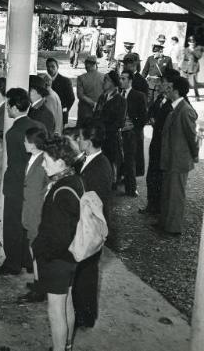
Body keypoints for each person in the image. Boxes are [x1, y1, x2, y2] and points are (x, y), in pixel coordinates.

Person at [32, 136, 83, 351]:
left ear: (60, 163)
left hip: (57, 260)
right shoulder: (75, 180)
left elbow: (58, 235)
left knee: (55, 312)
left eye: (46, 159)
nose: (43, 164)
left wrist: (41, 255)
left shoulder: (60, 191)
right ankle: (68, 345)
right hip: (72, 256)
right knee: (67, 305)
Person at [0, 88, 44, 276]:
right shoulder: (39, 126)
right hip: (36, 182)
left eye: (8, 105)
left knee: (13, 223)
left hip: (16, 182)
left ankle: (13, 263)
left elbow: (14, 162)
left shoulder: (12, 132)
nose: (6, 108)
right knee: (30, 222)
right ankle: (29, 261)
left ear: (14, 107)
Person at [74, 121, 113, 329]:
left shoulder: (98, 167)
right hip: (88, 225)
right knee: (83, 272)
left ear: (88, 143)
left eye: (80, 138)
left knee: (87, 274)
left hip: (91, 227)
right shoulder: (92, 159)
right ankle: (82, 311)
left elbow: (91, 200)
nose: (77, 140)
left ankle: (85, 316)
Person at [155, 76, 199, 235]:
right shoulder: (176, 107)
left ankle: (173, 228)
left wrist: (195, 156)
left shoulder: (185, 110)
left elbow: (193, 137)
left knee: (176, 195)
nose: (166, 89)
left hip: (179, 161)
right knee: (168, 193)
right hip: (171, 159)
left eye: (169, 87)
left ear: (176, 90)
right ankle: (165, 223)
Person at [17, 127, 49, 303]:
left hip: (36, 212)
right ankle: (38, 281)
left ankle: (40, 288)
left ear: (33, 144)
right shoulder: (34, 158)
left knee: (36, 249)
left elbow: (39, 191)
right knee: (33, 248)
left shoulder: (43, 161)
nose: (23, 143)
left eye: (25, 140)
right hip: (30, 211)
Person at [143, 69, 180, 215]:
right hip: (156, 143)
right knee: (151, 175)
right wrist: (152, 118)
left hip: (164, 146)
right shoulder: (160, 97)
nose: (160, 84)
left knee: (159, 178)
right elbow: (151, 110)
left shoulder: (176, 101)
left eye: (163, 82)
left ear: (171, 84)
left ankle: (158, 208)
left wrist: (158, 123)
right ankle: (151, 205)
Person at [93, 70, 126, 185]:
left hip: (110, 139)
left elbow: (120, 123)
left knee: (110, 163)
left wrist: (104, 131)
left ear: (112, 83)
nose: (103, 82)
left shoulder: (120, 100)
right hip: (98, 137)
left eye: (106, 80)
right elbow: (96, 115)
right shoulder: (102, 97)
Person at [119, 70, 148, 198]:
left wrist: (132, 126)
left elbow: (143, 118)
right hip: (118, 132)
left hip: (131, 134)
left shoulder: (138, 95)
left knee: (130, 161)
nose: (121, 81)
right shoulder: (118, 94)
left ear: (130, 81)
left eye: (123, 78)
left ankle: (131, 189)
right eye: (120, 78)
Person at [76, 56, 104, 127]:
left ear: (87, 65)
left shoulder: (81, 78)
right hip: (99, 111)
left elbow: (80, 95)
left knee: (82, 134)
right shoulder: (104, 77)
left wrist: (93, 103)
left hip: (84, 111)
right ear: (95, 65)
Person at [47, 58, 75, 126]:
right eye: (48, 67)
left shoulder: (65, 81)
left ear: (57, 67)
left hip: (60, 115)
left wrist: (63, 110)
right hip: (47, 115)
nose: (50, 69)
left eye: (53, 66)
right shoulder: (44, 81)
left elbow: (71, 99)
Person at [180, 35, 202, 101]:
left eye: (193, 42)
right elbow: (184, 58)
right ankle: (183, 95)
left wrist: (192, 50)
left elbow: (198, 56)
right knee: (184, 82)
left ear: (195, 43)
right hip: (185, 67)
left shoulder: (198, 48)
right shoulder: (186, 49)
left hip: (194, 67)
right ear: (188, 43)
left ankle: (197, 96)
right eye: (190, 42)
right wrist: (181, 66)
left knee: (194, 83)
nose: (192, 43)